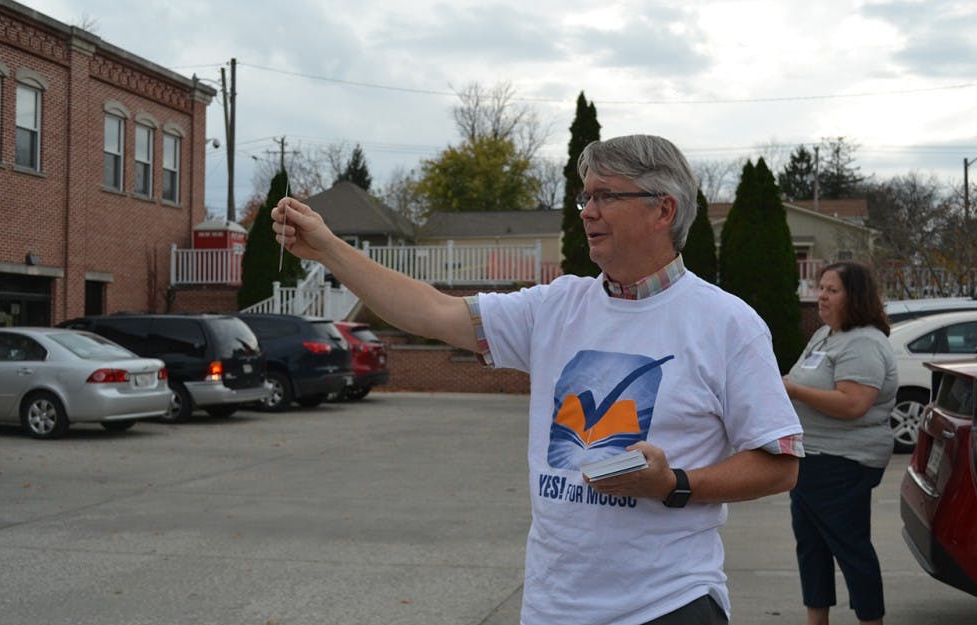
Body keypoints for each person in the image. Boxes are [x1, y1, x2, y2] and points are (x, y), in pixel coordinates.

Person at [273, 134, 803, 625]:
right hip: (554, 607)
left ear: (662, 208)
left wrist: (674, 484)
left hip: (667, 604)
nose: (587, 212)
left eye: (604, 197)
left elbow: (778, 464)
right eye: (584, 198)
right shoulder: (556, 306)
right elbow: (432, 311)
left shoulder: (728, 324)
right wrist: (327, 248)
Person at [782, 261, 897, 625]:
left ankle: (870, 619)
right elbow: (800, 377)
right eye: (821, 288)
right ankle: (817, 619)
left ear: (855, 297)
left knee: (850, 549)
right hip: (811, 459)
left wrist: (794, 390)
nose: (821, 296)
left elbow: (853, 404)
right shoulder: (826, 335)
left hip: (843, 463)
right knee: (811, 548)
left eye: (832, 290)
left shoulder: (863, 342)